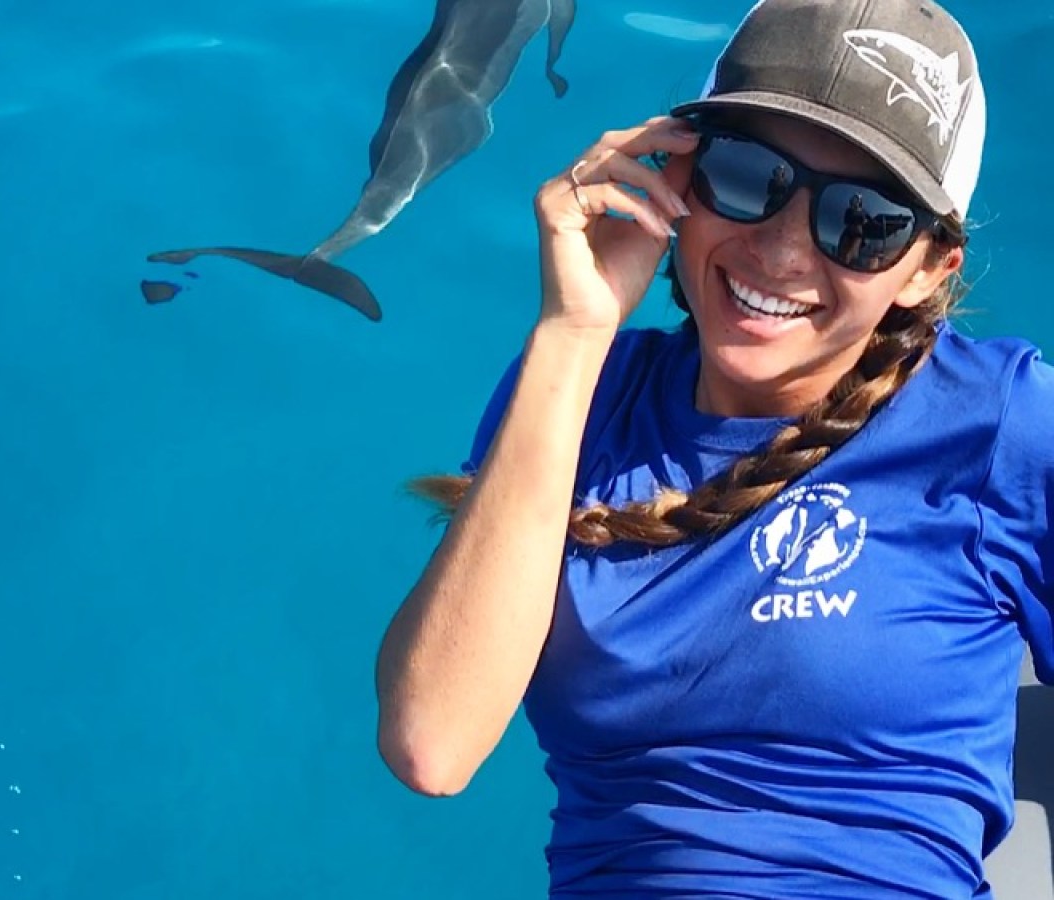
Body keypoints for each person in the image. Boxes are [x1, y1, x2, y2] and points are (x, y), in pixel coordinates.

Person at [374, 0, 1054, 897]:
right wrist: (573, 334)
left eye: (862, 220)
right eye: (746, 174)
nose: (779, 250)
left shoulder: (999, 421)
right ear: (670, 178)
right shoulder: (575, 393)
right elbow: (433, 742)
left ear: (929, 268)